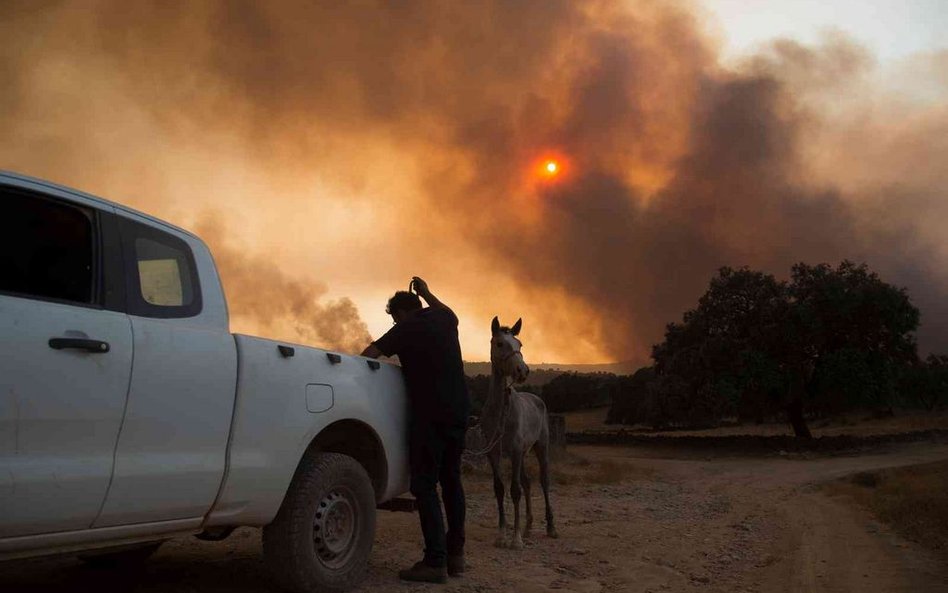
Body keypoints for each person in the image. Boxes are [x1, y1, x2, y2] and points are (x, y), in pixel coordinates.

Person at [361, 276, 471, 584]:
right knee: (452, 482)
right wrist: (427, 292)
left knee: (424, 486)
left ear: (402, 313)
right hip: (459, 411)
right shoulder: (444, 318)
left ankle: (435, 561)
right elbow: (449, 310)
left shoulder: (406, 328)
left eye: (395, 317)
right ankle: (456, 556)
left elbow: (371, 353)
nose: (396, 322)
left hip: (430, 416)